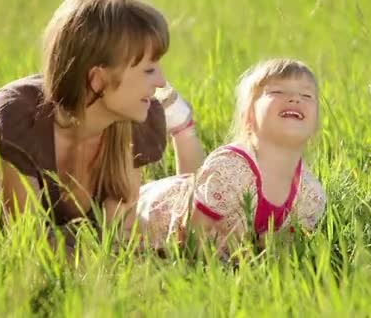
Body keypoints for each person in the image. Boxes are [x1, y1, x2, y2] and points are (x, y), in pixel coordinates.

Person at [0, 0, 206, 245]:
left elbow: (119, 234)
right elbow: (29, 242)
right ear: (97, 79)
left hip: (5, 144)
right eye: (149, 69)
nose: (162, 82)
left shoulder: (136, 121)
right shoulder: (15, 119)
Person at [136, 58, 327, 256]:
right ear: (249, 118)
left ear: (315, 126)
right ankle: (180, 128)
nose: (295, 98)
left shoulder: (310, 194)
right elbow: (193, 235)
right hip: (146, 217)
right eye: (277, 92)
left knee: (193, 182)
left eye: (306, 95)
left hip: (212, 227)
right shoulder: (230, 169)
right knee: (115, 211)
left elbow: (284, 250)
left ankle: (181, 125)